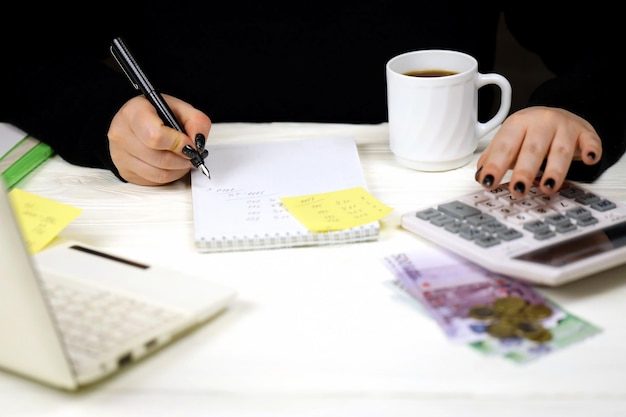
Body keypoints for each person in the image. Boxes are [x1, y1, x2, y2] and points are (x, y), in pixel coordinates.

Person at [1, 3, 623, 197]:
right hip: (181, 196)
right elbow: (21, 52)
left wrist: (574, 108)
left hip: (436, 197)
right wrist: (102, 115)